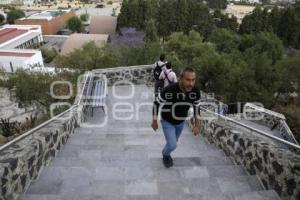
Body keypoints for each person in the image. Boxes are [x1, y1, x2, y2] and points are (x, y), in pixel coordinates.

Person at [151, 67, 201, 168]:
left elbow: (197, 107)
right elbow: (156, 103)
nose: (191, 83)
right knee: (172, 145)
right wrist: (154, 121)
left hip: (180, 122)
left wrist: (197, 125)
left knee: (174, 142)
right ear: (180, 78)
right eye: (188, 80)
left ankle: (167, 151)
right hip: (167, 121)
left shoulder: (195, 92)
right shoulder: (169, 90)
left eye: (193, 80)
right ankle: (165, 155)